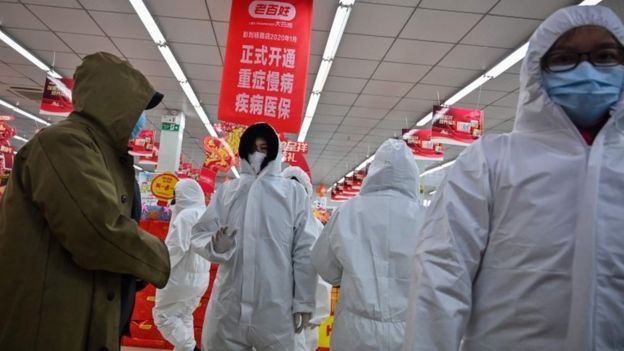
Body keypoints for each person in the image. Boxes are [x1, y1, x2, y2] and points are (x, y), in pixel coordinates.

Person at [403, 6, 624, 351]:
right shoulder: (491, 161)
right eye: (565, 59)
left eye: (605, 56)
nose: (587, 69)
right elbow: (441, 273)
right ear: (537, 71)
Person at [0, 51, 171, 351]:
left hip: (83, 317)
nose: (142, 119)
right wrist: (157, 259)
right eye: (138, 107)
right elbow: (98, 231)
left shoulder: (107, 155)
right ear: (113, 102)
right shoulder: (65, 144)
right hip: (50, 325)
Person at [191, 123, 317, 351]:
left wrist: (304, 300)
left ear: (274, 152)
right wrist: (216, 246)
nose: (257, 153)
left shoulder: (292, 194)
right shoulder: (229, 192)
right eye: (253, 148)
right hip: (230, 302)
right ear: (244, 152)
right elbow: (200, 233)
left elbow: (305, 251)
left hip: (275, 305)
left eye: (264, 147)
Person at [312, 139, 425, 351]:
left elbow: (323, 264)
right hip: (410, 330)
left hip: (355, 332)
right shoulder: (426, 218)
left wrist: (346, 277)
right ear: (412, 174)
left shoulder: (347, 212)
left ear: (373, 172)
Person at [154, 179, 210, 351]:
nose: (173, 199)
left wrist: (158, 268)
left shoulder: (187, 216)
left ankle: (191, 349)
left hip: (179, 277)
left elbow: (176, 247)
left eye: (176, 195)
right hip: (199, 279)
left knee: (163, 317)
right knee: (184, 316)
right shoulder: (205, 214)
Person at [281, 166, 332, 351]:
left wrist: (315, 315)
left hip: (304, 319)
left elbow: (321, 276)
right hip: (274, 313)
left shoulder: (316, 228)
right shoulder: (271, 223)